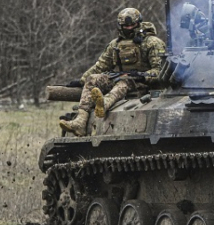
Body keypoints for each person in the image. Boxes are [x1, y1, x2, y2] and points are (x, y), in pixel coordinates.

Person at [59, 8, 166, 136]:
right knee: (93, 79)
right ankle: (80, 122)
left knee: (124, 82)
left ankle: (104, 104)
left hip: (144, 83)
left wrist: (142, 76)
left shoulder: (152, 43)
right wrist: (82, 80)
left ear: (139, 23)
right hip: (121, 79)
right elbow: (101, 65)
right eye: (126, 26)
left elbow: (160, 70)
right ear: (120, 26)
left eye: (133, 25)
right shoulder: (115, 45)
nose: (130, 28)